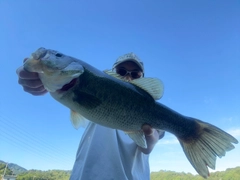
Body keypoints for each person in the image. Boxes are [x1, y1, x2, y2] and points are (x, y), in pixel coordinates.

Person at [17, 52, 165, 180]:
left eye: (135, 74)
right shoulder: (91, 87)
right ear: (111, 73)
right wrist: (38, 74)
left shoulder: (153, 111)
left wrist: (150, 142)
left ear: (143, 80)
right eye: (121, 71)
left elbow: (155, 137)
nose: (128, 77)